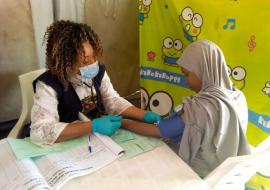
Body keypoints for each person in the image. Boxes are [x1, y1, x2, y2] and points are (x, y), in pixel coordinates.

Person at [121, 40, 251, 177]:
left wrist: (125, 123)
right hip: (226, 175)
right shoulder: (238, 96)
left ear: (203, 69)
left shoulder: (201, 107)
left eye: (187, 75)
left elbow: (161, 130)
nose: (186, 82)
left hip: (199, 176)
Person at [30, 20, 160, 147]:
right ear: (65, 64)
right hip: (68, 142)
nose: (93, 65)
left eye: (94, 57)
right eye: (85, 62)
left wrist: (144, 115)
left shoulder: (97, 73)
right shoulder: (48, 85)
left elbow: (112, 100)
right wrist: (93, 126)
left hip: (96, 137)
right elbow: (40, 131)